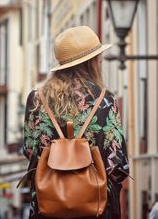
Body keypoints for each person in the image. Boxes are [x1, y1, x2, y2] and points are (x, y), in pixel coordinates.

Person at [23, 26, 129, 219]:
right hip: (95, 207)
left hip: (48, 206)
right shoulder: (105, 100)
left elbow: (30, 151)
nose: (101, 60)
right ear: (91, 62)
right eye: (98, 56)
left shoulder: (37, 99)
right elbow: (117, 161)